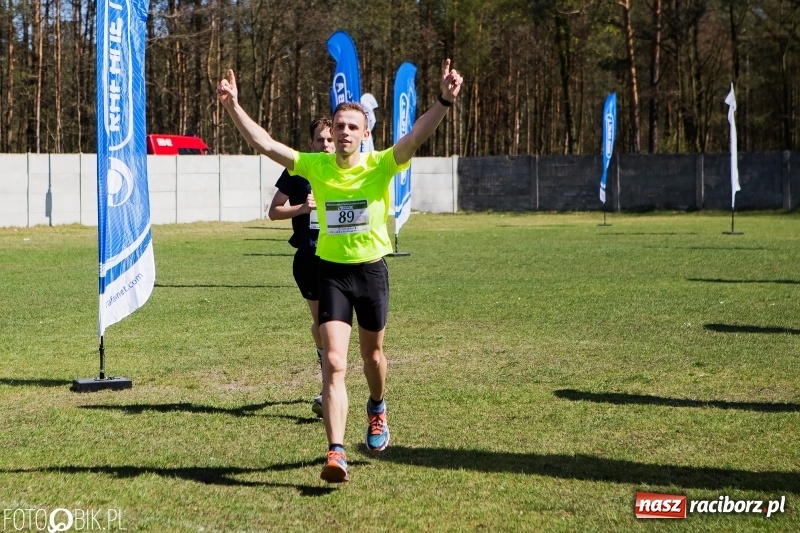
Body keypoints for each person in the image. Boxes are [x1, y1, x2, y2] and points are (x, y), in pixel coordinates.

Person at [217, 59, 462, 483]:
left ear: (365, 133)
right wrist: (233, 107)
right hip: (331, 273)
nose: (345, 132)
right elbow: (266, 144)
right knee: (333, 362)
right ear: (332, 130)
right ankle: (336, 452)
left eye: (353, 126)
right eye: (339, 125)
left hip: (370, 273)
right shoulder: (316, 166)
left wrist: (443, 98)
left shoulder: (382, 163)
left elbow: (419, 133)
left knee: (373, 357)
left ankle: (378, 408)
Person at [267, 117, 334, 417]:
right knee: (322, 323)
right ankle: (327, 380)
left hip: (341, 257)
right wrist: (304, 208)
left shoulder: (346, 170)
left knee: (333, 324)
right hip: (308, 257)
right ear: (310, 143)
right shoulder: (297, 170)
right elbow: (274, 212)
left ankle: (331, 383)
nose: (326, 145)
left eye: (330, 140)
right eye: (320, 140)